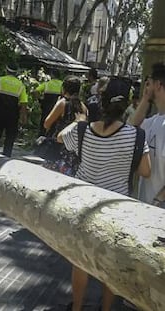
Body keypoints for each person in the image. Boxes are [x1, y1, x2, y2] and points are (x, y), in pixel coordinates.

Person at [57, 79, 151, 311]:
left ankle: (77, 308)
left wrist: (79, 120)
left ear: (101, 100)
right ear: (128, 103)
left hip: (84, 207)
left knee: (80, 262)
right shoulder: (136, 136)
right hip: (117, 210)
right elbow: (146, 171)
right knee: (111, 265)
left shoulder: (83, 131)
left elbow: (60, 137)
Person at [131, 63, 165, 208]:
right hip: (147, 205)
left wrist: (159, 201)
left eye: (148, 83)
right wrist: (145, 98)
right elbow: (130, 129)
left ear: (157, 85)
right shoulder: (154, 120)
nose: (146, 87)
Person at [42, 75, 88, 176]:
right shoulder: (83, 107)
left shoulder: (62, 103)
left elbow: (46, 124)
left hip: (56, 147)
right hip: (72, 150)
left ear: (63, 88)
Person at [0, 63, 28, 157]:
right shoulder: (21, 85)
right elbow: (23, 102)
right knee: (10, 136)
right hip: (13, 114)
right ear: (17, 73)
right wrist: (23, 117)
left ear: (6, 70)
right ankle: (6, 156)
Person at [35, 69, 63, 136]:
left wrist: (40, 100)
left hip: (46, 107)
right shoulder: (62, 84)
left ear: (52, 75)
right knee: (56, 124)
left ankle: (41, 137)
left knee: (44, 123)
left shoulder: (47, 84)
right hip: (58, 107)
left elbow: (35, 91)